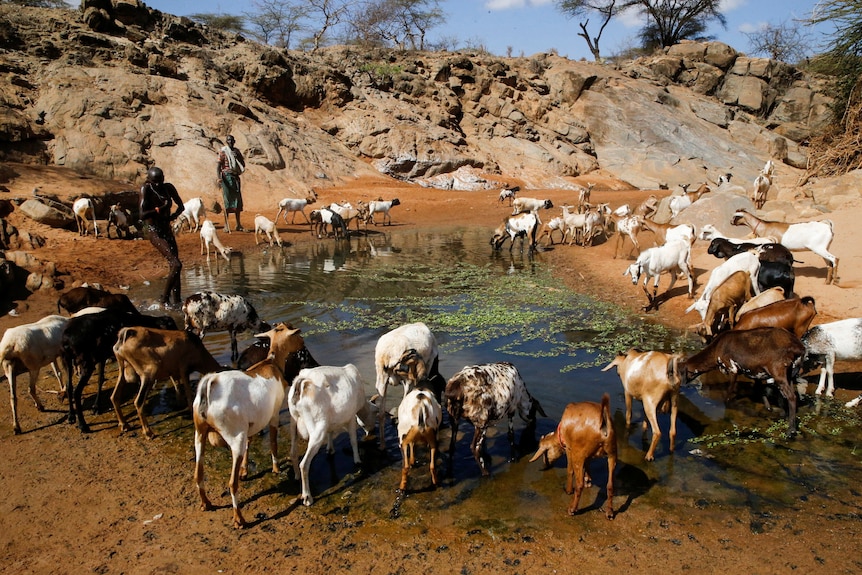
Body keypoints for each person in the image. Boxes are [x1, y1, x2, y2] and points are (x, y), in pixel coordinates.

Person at [139, 166, 185, 308]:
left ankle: (176, 301)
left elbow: (181, 206)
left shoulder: (168, 188)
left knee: (175, 266)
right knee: (176, 264)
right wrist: (160, 209)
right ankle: (164, 300)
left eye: (160, 181)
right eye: (155, 182)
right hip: (154, 231)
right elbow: (142, 215)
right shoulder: (146, 190)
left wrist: (172, 216)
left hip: (166, 229)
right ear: (150, 181)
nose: (158, 185)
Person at [217, 135, 246, 232]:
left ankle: (238, 224)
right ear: (226, 141)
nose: (230, 142)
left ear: (234, 141)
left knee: (237, 200)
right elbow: (218, 165)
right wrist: (219, 178)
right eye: (228, 140)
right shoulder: (223, 151)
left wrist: (237, 156)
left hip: (235, 177)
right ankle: (226, 225)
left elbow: (242, 163)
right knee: (227, 200)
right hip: (226, 177)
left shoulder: (236, 151)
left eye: (232, 140)